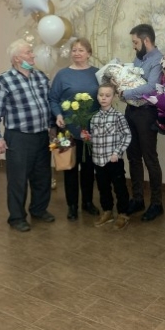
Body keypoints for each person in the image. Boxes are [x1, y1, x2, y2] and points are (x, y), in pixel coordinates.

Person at [0, 39, 57, 231]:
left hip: (41, 135)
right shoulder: (3, 81)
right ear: (17, 58)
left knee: (42, 176)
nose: (33, 55)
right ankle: (17, 217)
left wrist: (52, 127)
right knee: (18, 180)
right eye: (28, 52)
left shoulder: (40, 77)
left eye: (32, 52)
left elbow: (49, 104)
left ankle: (39, 210)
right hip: (18, 137)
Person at [48, 38, 100, 221]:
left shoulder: (97, 74)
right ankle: (72, 206)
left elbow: (104, 97)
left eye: (81, 50)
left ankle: (87, 202)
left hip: (90, 131)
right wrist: (58, 115)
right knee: (68, 167)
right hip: (65, 131)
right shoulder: (62, 75)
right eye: (74, 50)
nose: (77, 53)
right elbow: (53, 99)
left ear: (89, 53)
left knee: (88, 169)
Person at [121, 24, 164, 220]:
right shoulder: (139, 58)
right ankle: (137, 198)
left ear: (146, 41)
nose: (134, 46)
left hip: (147, 114)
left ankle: (156, 203)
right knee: (133, 157)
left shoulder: (158, 60)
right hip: (131, 111)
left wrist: (126, 92)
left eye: (135, 42)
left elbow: (152, 87)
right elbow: (131, 79)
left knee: (150, 159)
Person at [90, 83, 133, 230]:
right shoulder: (94, 118)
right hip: (98, 160)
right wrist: (88, 137)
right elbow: (95, 138)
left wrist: (117, 152)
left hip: (113, 160)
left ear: (113, 97)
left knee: (120, 187)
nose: (104, 98)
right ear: (97, 97)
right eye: (101, 95)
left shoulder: (118, 116)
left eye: (107, 95)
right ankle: (107, 211)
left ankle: (123, 213)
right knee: (103, 187)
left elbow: (127, 135)